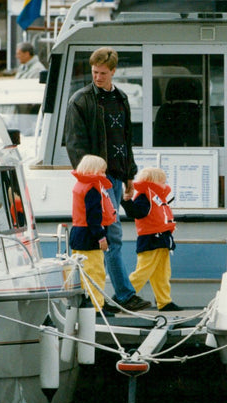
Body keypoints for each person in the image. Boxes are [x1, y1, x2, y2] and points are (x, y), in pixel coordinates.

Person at [64, 46, 151, 313]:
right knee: (110, 234)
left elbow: (126, 141)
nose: (97, 77)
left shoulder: (122, 98)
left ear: (113, 71)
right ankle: (120, 295)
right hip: (98, 179)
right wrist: (91, 179)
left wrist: (129, 177)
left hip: (115, 176)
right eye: (94, 72)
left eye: (102, 73)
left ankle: (108, 296)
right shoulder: (80, 101)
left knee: (110, 235)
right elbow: (74, 144)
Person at [121, 167, 182, 312]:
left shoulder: (155, 197)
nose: (165, 185)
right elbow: (136, 213)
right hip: (150, 239)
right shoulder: (144, 197)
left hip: (162, 239)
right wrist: (126, 201)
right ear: (153, 182)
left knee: (162, 273)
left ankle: (164, 302)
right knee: (143, 271)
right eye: (162, 182)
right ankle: (123, 297)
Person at [69, 155, 117, 316]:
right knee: (95, 272)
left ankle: (83, 304)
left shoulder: (80, 185)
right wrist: (101, 237)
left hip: (78, 233)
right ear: (94, 170)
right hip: (90, 237)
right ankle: (96, 307)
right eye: (102, 172)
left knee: (81, 273)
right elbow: (94, 217)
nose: (104, 175)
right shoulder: (92, 189)